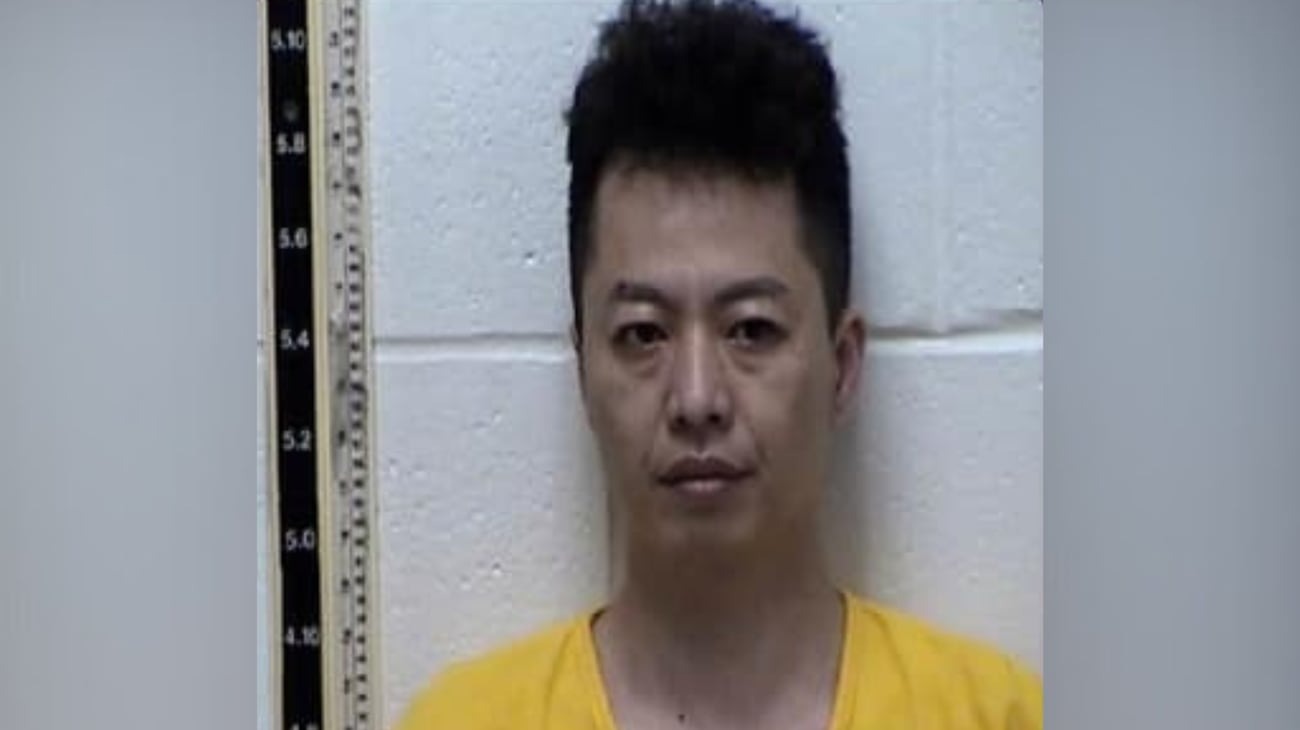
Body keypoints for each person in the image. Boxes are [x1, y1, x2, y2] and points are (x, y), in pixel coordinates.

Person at [397, 1, 1042, 728]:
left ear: (842, 366)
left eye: (751, 330)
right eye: (643, 334)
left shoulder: (997, 715)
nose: (697, 398)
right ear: (583, 371)